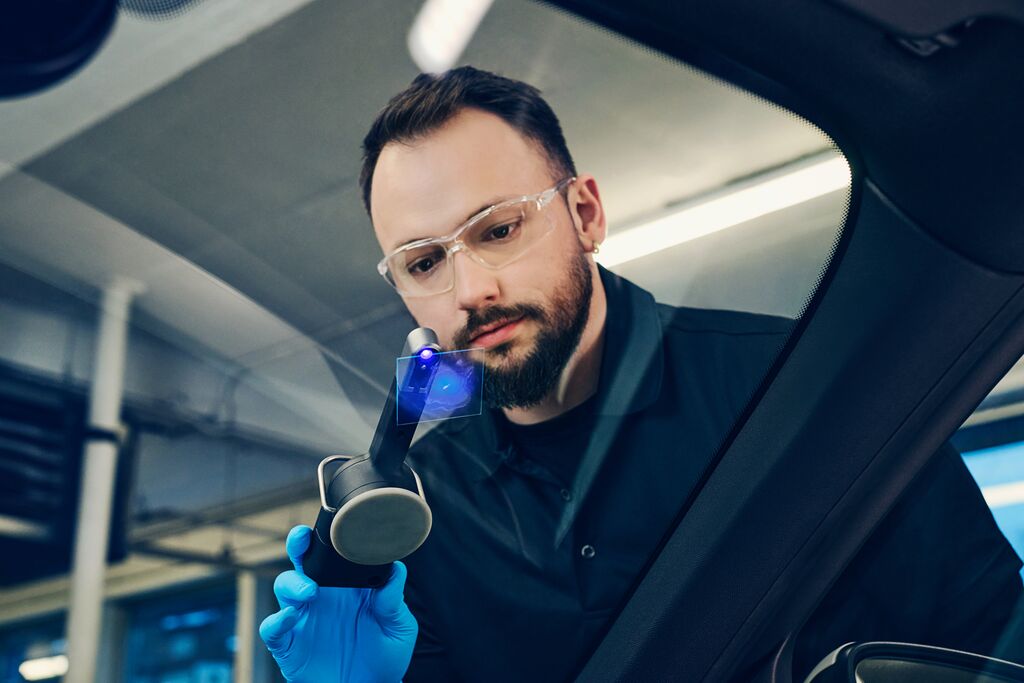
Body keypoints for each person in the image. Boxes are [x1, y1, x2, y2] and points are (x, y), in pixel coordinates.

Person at [259, 66, 1024, 682]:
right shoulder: (426, 505)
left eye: (499, 229)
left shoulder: (806, 392)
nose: (470, 290)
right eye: (425, 262)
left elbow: (995, 646)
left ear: (586, 214)